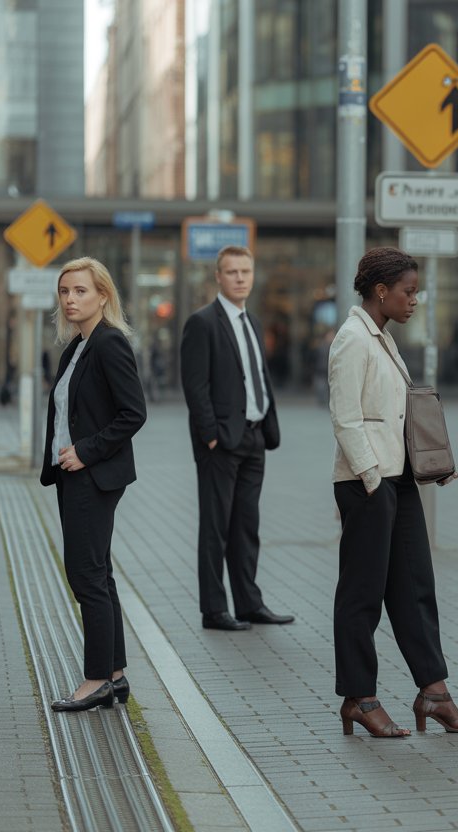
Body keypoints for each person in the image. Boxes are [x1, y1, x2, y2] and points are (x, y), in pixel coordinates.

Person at [328, 247, 458, 738]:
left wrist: (430, 463)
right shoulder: (352, 339)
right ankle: (359, 697)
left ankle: (433, 693)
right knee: (363, 595)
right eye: (408, 292)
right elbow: (346, 418)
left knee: (416, 589)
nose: (415, 300)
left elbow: (400, 415)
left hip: (399, 480)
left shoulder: (384, 340)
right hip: (367, 483)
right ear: (380, 291)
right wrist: (373, 478)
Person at [40, 257, 147, 712]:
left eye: (80, 291)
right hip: (75, 475)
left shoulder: (108, 344)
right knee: (98, 574)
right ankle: (116, 675)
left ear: (103, 295)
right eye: (65, 292)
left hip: (93, 475)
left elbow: (133, 413)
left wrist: (86, 450)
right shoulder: (77, 348)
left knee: (86, 576)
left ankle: (96, 678)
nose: (70, 299)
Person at [180, 245, 294, 631]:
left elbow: (256, 376)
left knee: (247, 526)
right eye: (232, 272)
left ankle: (248, 603)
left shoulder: (254, 323)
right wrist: (211, 437)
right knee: (215, 528)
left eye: (246, 271)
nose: (240, 278)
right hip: (221, 445)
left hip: (254, 438)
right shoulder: (202, 323)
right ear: (218, 276)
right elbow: (195, 387)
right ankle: (214, 610)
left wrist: (265, 427)